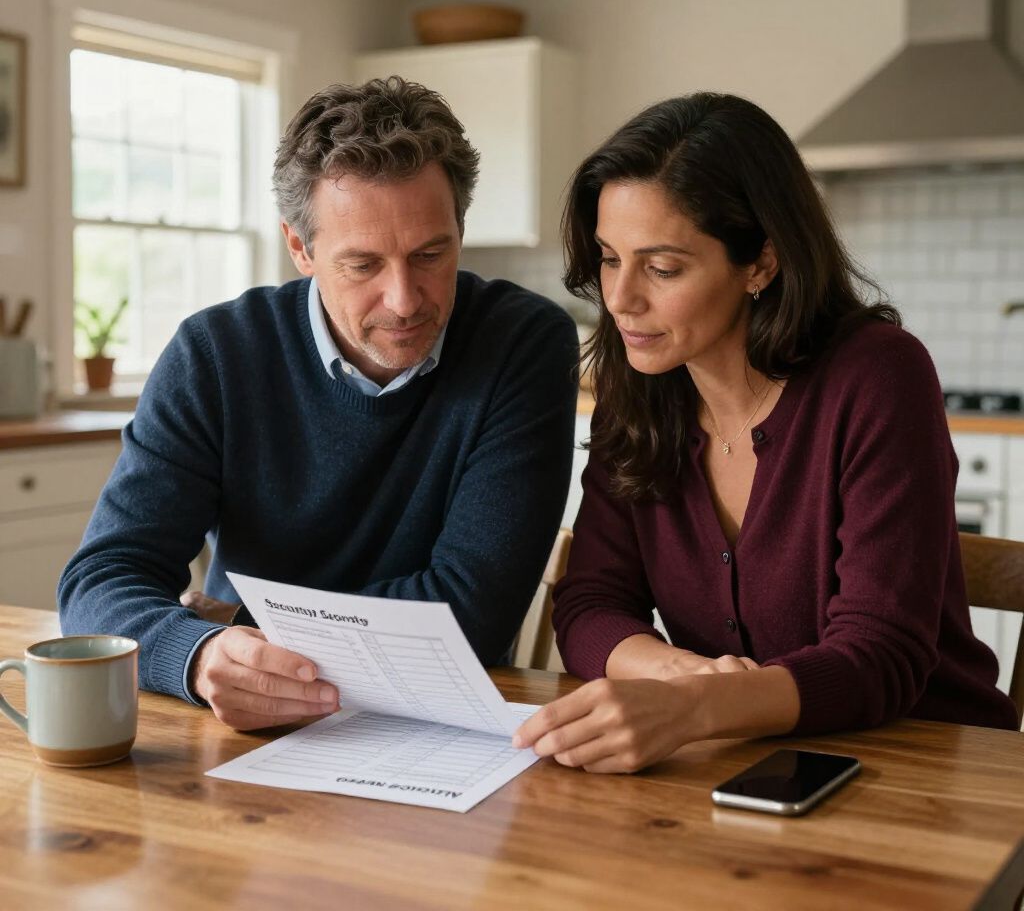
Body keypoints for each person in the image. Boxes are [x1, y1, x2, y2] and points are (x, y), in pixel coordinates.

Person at [512, 92, 1017, 773]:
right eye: (608, 258)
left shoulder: (876, 377)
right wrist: (673, 676)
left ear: (761, 263)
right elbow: (591, 601)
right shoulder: (638, 388)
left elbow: (881, 655)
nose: (621, 298)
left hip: (926, 766)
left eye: (662, 267)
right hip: (743, 761)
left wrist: (696, 709)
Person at [59, 77, 579, 731]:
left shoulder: (523, 342)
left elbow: (465, 616)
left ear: (460, 228)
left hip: (438, 729)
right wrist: (197, 655)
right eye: (363, 265)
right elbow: (101, 579)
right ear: (300, 248)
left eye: (430, 254)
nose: (405, 299)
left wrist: (235, 624)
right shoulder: (215, 354)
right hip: (239, 727)